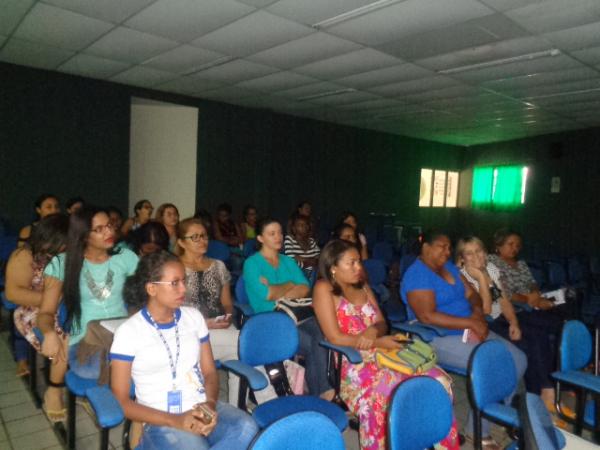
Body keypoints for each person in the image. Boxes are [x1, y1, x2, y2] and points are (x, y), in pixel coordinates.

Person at [313, 239, 459, 450]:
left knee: (438, 381)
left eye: (359, 262)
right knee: (393, 392)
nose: (358, 267)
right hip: (353, 363)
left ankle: (431, 439)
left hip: (383, 353)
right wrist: (376, 341)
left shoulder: (362, 286)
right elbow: (334, 337)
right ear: (333, 267)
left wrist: (374, 331)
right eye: (351, 263)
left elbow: (382, 322)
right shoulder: (323, 288)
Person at [110, 252, 258, 449]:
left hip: (199, 406)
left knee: (246, 428)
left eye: (184, 281)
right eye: (175, 283)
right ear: (152, 288)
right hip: (160, 418)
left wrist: (210, 405)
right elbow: (121, 401)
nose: (183, 288)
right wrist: (176, 420)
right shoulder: (129, 332)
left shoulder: (193, 318)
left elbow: (209, 372)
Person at [400, 230, 527, 450]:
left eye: (449, 247)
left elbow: (472, 295)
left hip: (470, 326)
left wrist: (477, 314)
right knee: (492, 365)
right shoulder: (417, 274)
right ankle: (479, 431)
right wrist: (470, 323)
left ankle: (501, 415)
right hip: (436, 336)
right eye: (441, 246)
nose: (447, 251)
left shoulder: (449, 268)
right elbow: (427, 316)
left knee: (518, 358)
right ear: (425, 247)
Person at [37, 207, 139, 421]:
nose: (108, 232)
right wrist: (48, 333)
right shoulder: (62, 263)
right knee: (91, 371)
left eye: (109, 225)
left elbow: (143, 295)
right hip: (85, 340)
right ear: (83, 236)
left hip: (121, 335)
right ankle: (58, 390)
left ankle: (111, 395)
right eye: (99, 229)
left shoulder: (126, 257)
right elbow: (46, 312)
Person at [456, 236, 556, 410]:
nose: (476, 256)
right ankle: (535, 399)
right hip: (483, 323)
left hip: (499, 318)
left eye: (478, 251)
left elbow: (502, 300)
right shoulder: (462, 276)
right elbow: (485, 310)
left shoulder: (491, 268)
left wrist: (514, 323)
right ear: (462, 258)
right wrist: (480, 278)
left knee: (538, 335)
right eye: (469, 253)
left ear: (485, 252)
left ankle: (544, 392)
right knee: (525, 345)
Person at [243, 218, 332, 398]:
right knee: (313, 344)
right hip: (270, 318)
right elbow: (267, 296)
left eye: (280, 233)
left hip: (297, 313)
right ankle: (323, 392)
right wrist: (290, 284)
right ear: (260, 238)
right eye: (272, 233)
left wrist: (278, 290)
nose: (279, 237)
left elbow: (305, 288)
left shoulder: (288, 261)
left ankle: (321, 391)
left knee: (322, 335)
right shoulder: (252, 264)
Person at [176, 218, 239, 405]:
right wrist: (204, 323)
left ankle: (237, 406)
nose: (202, 241)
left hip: (219, 326)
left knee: (244, 359)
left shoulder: (219, 266)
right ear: (181, 242)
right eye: (194, 237)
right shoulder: (174, 268)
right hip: (188, 331)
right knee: (247, 346)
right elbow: (170, 310)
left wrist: (228, 315)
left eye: (204, 236)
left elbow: (227, 302)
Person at [6, 214, 69, 380]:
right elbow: (13, 293)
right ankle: (59, 376)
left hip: (61, 305)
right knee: (60, 341)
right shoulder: (24, 256)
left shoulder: (65, 254)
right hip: (32, 308)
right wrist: (53, 298)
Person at [488, 229, 555, 310]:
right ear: (498, 245)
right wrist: (527, 299)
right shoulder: (491, 261)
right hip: (511, 306)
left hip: (531, 301)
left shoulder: (521, 263)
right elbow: (499, 292)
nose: (515, 248)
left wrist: (535, 293)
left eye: (518, 245)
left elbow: (532, 282)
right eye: (511, 244)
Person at [284, 213, 320, 280]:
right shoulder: (290, 239)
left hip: (313, 272)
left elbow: (319, 257)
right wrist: (309, 262)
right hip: (296, 273)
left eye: (306, 224)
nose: (305, 227)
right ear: (294, 228)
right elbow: (290, 259)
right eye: (301, 225)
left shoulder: (311, 240)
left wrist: (301, 258)